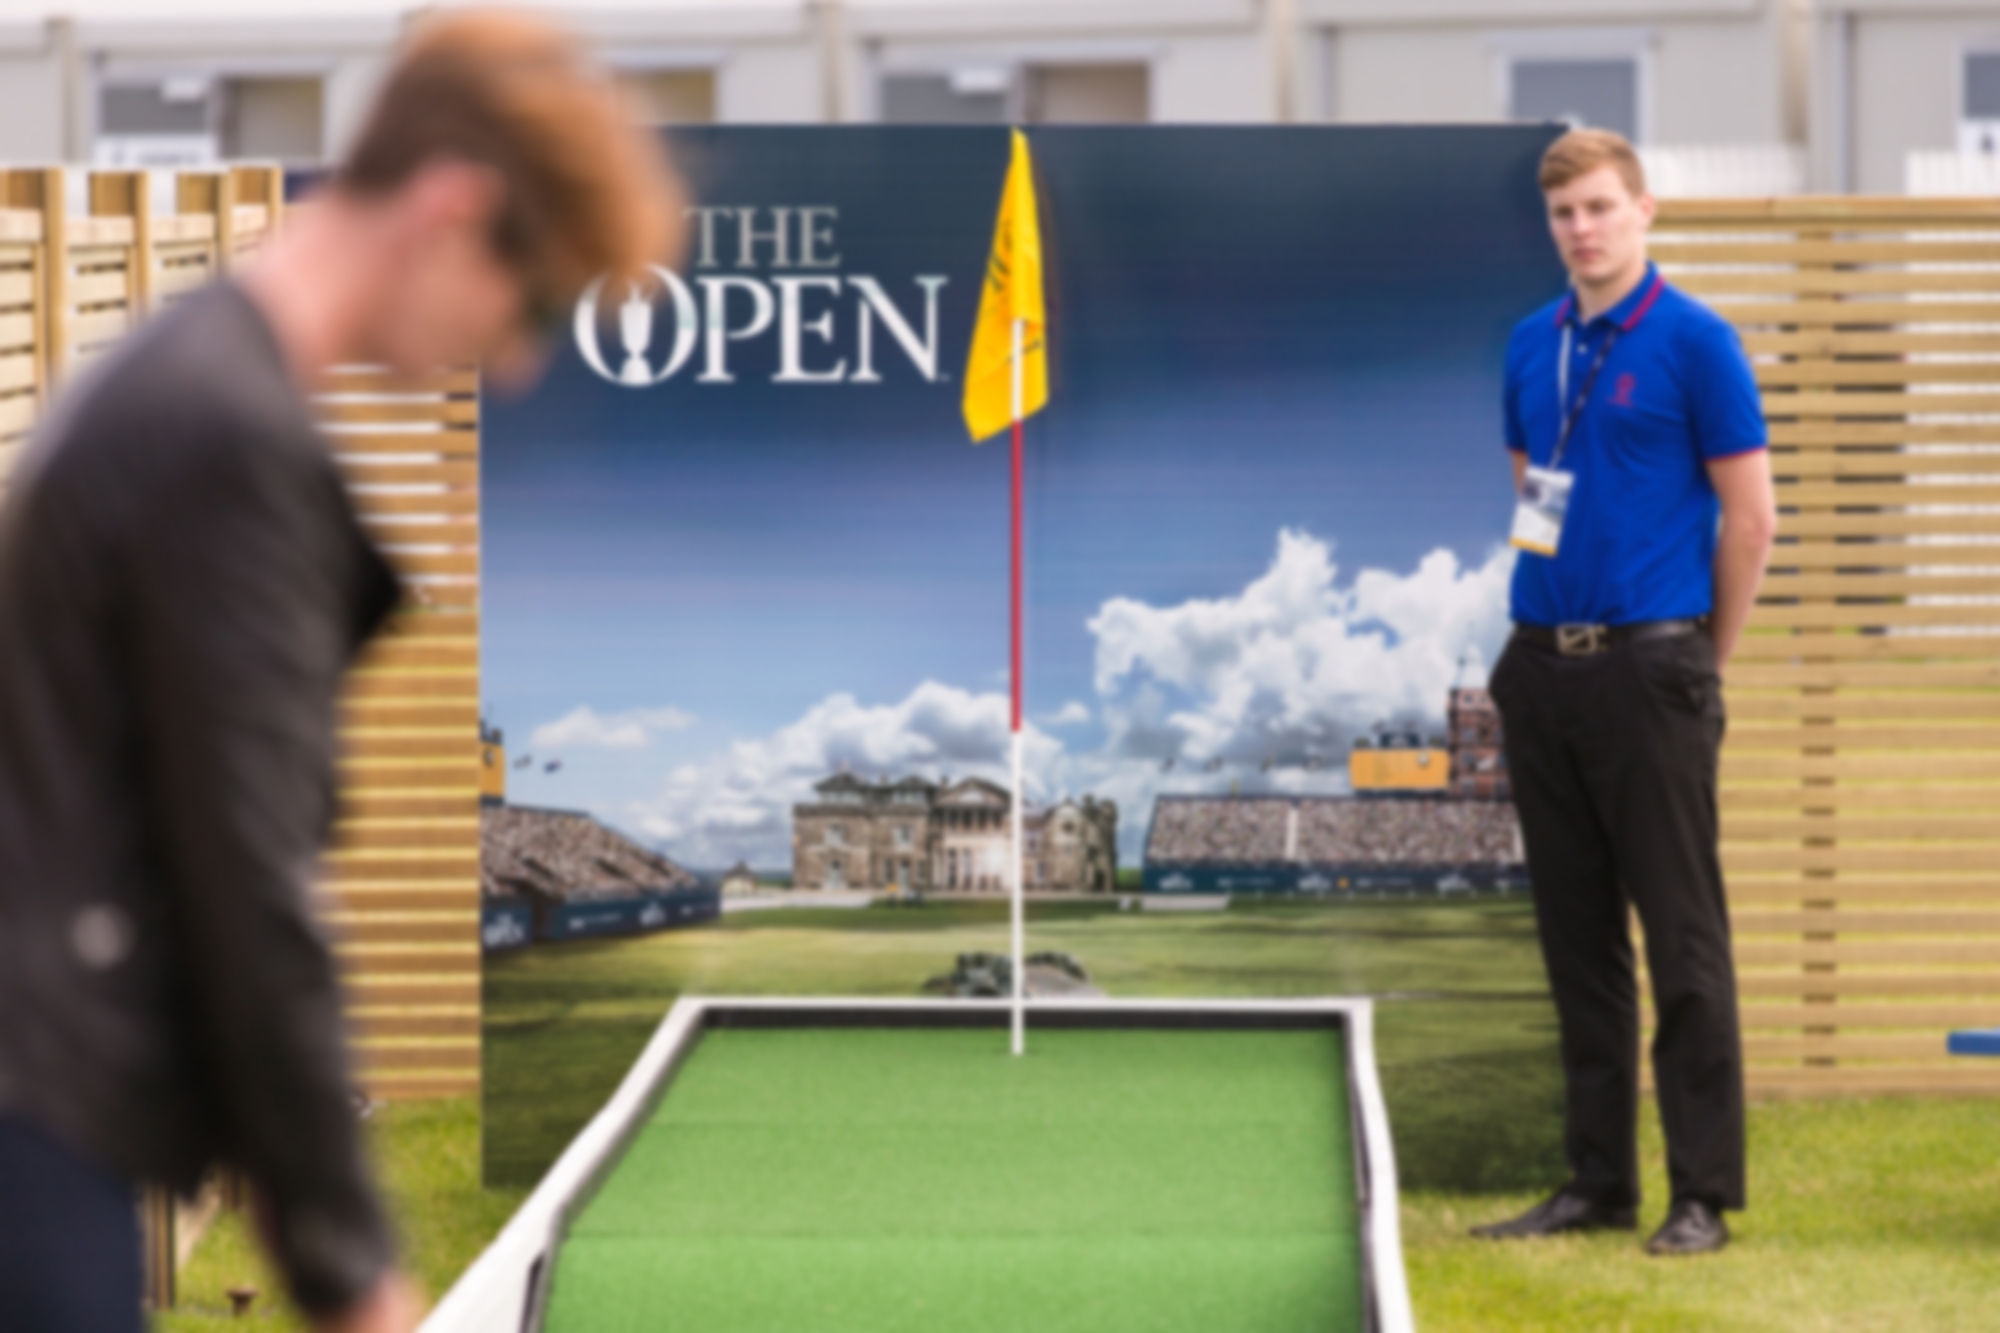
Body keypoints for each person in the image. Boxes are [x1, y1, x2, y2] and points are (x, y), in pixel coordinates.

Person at [0, 13, 680, 1331]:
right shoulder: (226, 443)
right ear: (452, 209)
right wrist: (353, 1270)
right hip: (33, 1155)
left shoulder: (177, 382)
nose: (519, 357)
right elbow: (251, 889)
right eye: (535, 303)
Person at [1472, 129, 1776, 1256]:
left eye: (1600, 206)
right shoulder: (1528, 343)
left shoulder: (1697, 341)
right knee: (1578, 940)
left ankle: (1701, 1195)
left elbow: (1751, 519)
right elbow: (1533, 496)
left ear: (1643, 209)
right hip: (1541, 666)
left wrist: (1701, 659)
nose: (1581, 228)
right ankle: (1596, 1182)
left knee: (1682, 939)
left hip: (1653, 670)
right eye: (1563, 212)